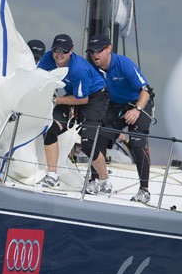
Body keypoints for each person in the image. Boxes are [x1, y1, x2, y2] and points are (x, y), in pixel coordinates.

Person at [36, 34, 110, 190]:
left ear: (71, 51)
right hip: (71, 95)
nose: (59, 55)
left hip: (94, 98)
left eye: (63, 51)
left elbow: (82, 100)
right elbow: (37, 78)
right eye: (56, 50)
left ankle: (104, 181)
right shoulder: (48, 59)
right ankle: (52, 176)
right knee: (50, 129)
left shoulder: (79, 69)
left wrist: (56, 100)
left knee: (87, 144)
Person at [87, 34, 153, 203]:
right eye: (92, 52)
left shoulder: (124, 64)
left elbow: (145, 90)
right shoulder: (94, 68)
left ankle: (144, 190)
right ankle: (97, 181)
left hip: (139, 103)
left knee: (137, 143)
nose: (95, 55)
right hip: (116, 106)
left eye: (99, 51)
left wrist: (137, 110)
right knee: (97, 137)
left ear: (109, 48)